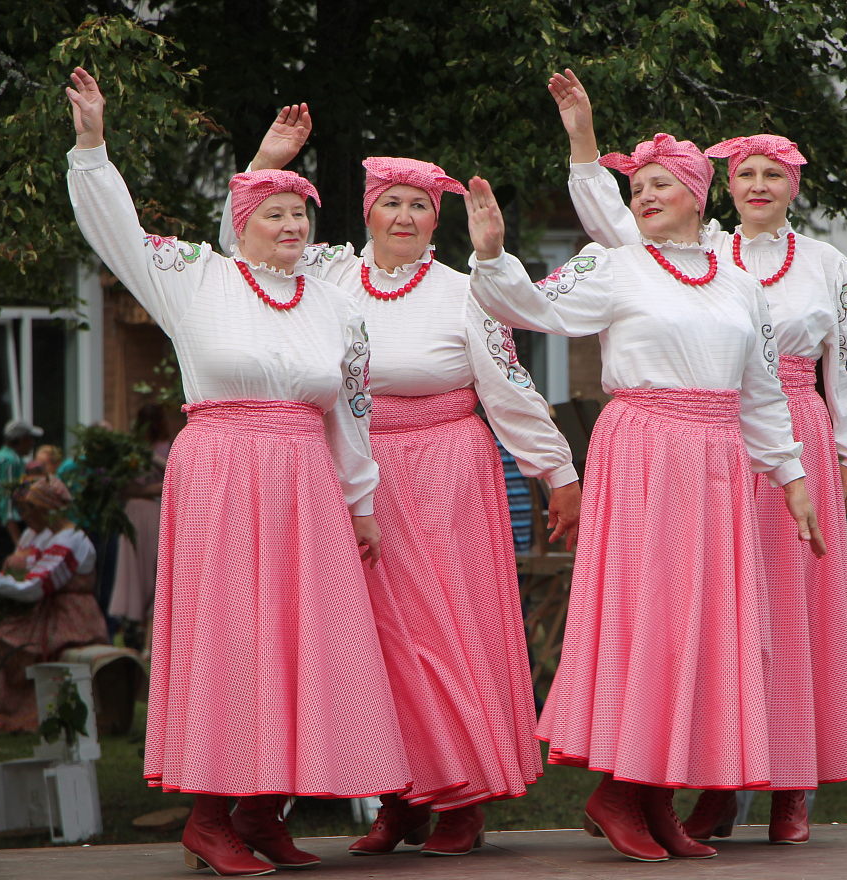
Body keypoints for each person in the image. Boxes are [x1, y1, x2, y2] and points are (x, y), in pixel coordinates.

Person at [66, 68, 411, 876]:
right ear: (241, 221)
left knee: (301, 639)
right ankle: (209, 812)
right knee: (232, 635)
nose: (290, 224)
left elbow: (350, 413)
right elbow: (116, 231)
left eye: (301, 214)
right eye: (275, 212)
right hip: (223, 472)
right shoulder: (197, 278)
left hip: (307, 480)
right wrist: (92, 143)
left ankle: (264, 808)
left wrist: (361, 504)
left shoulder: (334, 303)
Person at [223, 108, 582, 857]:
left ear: (438, 217)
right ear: (368, 212)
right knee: (362, 644)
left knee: (443, 636)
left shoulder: (464, 291)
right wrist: (268, 157)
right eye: (392, 201)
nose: (407, 215)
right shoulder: (322, 276)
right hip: (344, 476)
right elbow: (239, 250)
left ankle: (461, 799)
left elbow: (510, 386)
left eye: (421, 204)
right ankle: (399, 799)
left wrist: (557, 472)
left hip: (445, 476)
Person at [548, 69, 847, 844]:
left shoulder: (828, 265)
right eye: (747, 173)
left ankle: (791, 783)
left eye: (775, 174)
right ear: (720, 187)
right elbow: (616, 223)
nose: (760, 184)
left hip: (791, 433)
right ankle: (708, 782)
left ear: (795, 187)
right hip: (700, 443)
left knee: (789, 612)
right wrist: (585, 145)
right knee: (708, 613)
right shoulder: (694, 255)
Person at [468, 129, 822, 862]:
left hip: (719, 460)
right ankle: (621, 790)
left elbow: (760, 396)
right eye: (638, 187)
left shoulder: (739, 283)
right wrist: (493, 254)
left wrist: (791, 478)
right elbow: (531, 307)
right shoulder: (614, 267)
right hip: (646, 451)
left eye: (661, 184)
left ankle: (658, 797)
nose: (646, 196)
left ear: (696, 194)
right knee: (650, 616)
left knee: (706, 626)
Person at [0, 474, 109, 731]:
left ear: (49, 510)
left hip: (70, 620)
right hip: (46, 613)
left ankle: (8, 711)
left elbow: (36, 588)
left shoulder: (70, 540)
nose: (27, 514)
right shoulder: (42, 535)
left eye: (32, 508)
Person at [109, 405, 170, 661]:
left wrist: (142, 487)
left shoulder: (165, 447)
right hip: (132, 515)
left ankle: (150, 640)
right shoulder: (128, 451)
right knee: (132, 572)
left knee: (155, 573)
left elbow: (171, 475)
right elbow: (120, 486)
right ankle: (134, 634)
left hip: (153, 512)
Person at [0, 420, 43, 571]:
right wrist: (18, 542)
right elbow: (7, 502)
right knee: (11, 572)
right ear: (23, 438)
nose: (32, 444)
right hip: (5, 529)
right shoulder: (10, 460)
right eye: (31, 439)